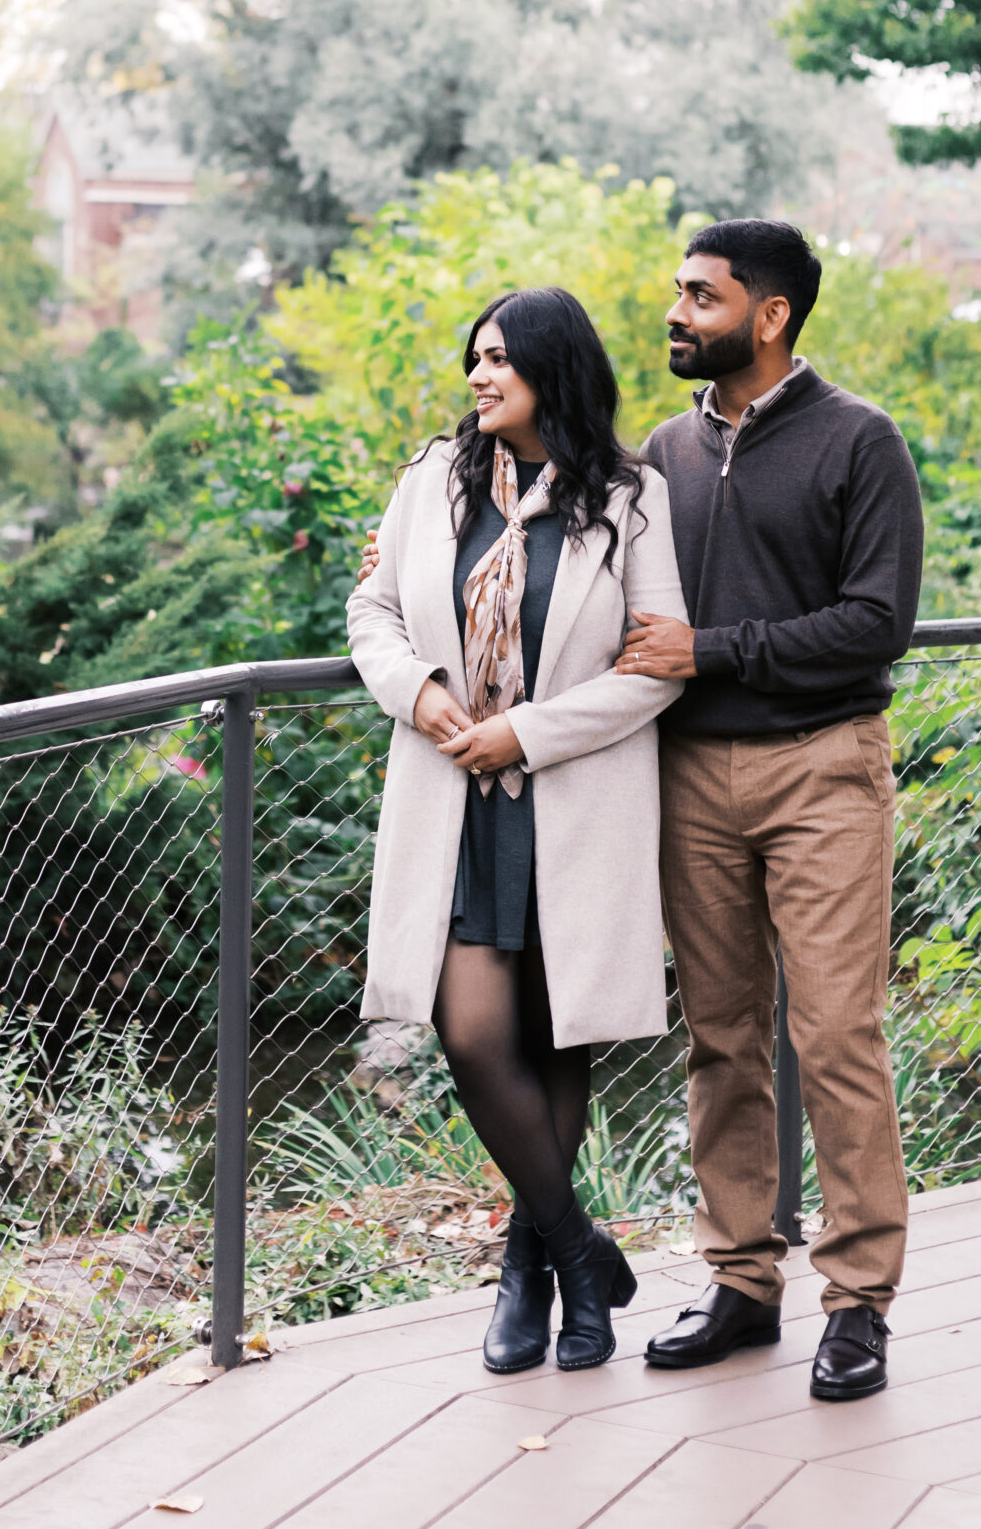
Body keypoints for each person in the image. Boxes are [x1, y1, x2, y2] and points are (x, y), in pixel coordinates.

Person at [347, 286, 690, 1374]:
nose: (480, 376)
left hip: (570, 803)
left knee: (554, 1040)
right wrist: (423, 694)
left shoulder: (633, 500)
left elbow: (655, 670)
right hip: (455, 804)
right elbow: (372, 613)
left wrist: (526, 735)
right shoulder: (431, 484)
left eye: (500, 359)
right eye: (475, 358)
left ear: (554, 368)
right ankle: (581, 1253)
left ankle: (528, 1269)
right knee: (475, 1035)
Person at [615, 218, 924, 1400]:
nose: (677, 313)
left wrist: (715, 648)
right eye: (678, 293)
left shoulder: (860, 439)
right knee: (721, 1037)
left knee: (837, 1035)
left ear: (771, 312)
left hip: (823, 766)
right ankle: (744, 1278)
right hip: (690, 776)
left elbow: (875, 621)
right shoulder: (661, 449)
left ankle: (859, 1303)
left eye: (699, 295)